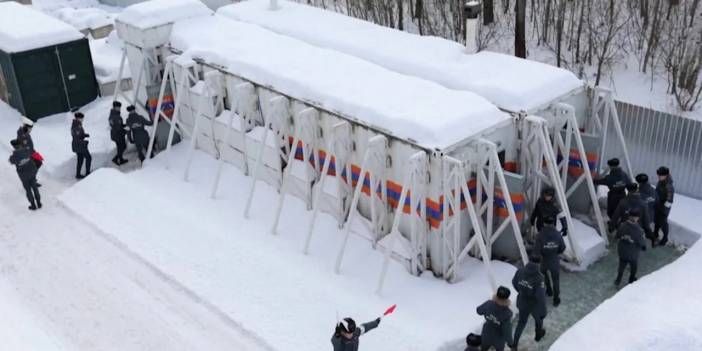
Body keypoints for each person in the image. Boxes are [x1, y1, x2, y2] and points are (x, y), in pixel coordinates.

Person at [510, 255, 547, 350]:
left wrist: (521, 292)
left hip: (522, 301)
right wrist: (543, 311)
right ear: (539, 263)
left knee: (521, 323)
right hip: (534, 304)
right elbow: (541, 297)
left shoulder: (520, 271)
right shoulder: (539, 278)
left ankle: (514, 344)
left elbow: (514, 282)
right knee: (539, 320)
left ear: (529, 260)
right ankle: (538, 335)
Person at [534, 216, 566, 307]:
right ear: (553, 223)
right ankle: (556, 299)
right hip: (554, 260)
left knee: (544, 275)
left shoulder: (540, 235)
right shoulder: (557, 234)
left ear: (544, 223)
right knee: (556, 280)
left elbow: (536, 251)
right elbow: (563, 248)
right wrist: (556, 252)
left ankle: (549, 290)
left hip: (544, 260)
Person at [614, 209, 647, 286]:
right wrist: (643, 247)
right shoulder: (638, 230)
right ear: (637, 218)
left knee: (621, 266)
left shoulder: (622, 225)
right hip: (632, 254)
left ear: (629, 216)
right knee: (634, 267)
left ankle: (618, 280)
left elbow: (617, 235)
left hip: (622, 252)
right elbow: (641, 242)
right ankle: (631, 280)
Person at [476, 286, 513, 351]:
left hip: (486, 334)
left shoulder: (489, 304)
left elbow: (479, 311)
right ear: (507, 298)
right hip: (499, 339)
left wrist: (489, 313)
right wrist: (510, 343)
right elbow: (507, 331)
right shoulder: (507, 313)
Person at [8, 139, 41, 210]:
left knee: (28, 189)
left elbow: (10, 161)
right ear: (20, 145)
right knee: (34, 187)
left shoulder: (13, 157)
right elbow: (32, 153)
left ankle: (33, 205)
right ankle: (39, 203)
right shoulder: (27, 150)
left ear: (14, 147)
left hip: (24, 176)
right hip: (32, 172)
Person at [653, 166, 675, 247]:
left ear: (665, 175)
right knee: (656, 220)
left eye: (660, 175)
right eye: (658, 175)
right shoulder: (661, 181)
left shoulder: (669, 186)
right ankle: (655, 234)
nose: (658, 176)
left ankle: (665, 239)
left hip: (664, 207)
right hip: (658, 204)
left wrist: (663, 210)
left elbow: (670, 200)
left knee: (663, 222)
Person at [636, 173, 657, 246]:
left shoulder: (639, 193)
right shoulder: (654, 190)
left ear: (639, 182)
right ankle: (653, 239)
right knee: (647, 228)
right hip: (651, 216)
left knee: (637, 229)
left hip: (642, 217)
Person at [71, 112, 91, 179]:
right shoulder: (76, 126)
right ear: (78, 118)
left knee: (80, 159)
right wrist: (85, 142)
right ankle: (88, 173)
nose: (83, 119)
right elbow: (77, 139)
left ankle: (78, 174)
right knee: (88, 157)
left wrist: (84, 135)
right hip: (80, 146)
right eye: (82, 118)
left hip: (77, 146)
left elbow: (78, 135)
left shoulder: (77, 124)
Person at [109, 101, 128, 165]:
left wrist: (123, 125)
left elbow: (117, 125)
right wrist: (126, 131)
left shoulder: (113, 114)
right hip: (118, 135)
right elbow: (118, 128)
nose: (120, 108)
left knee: (120, 147)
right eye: (119, 107)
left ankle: (121, 159)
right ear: (115, 107)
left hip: (115, 134)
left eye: (120, 107)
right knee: (123, 146)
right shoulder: (116, 116)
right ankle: (115, 159)